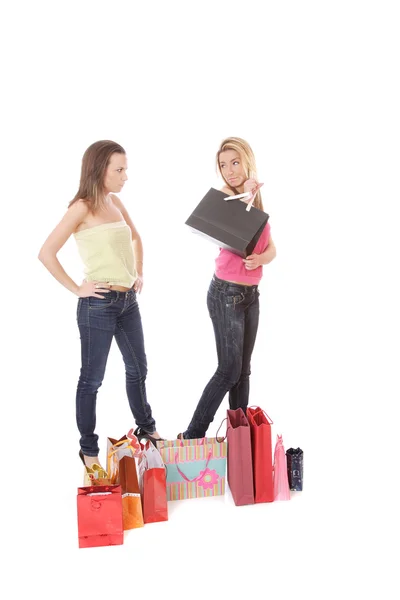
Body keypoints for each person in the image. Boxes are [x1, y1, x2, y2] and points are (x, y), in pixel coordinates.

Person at [38, 140, 163, 481]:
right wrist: (78, 288)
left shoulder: (117, 202)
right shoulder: (82, 207)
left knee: (138, 369)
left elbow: (136, 237)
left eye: (125, 169)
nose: (126, 176)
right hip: (97, 305)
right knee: (91, 380)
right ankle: (88, 448)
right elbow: (46, 252)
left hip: (127, 303)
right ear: (99, 171)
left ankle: (147, 429)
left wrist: (137, 271)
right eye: (119, 170)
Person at [179, 137, 276, 439]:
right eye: (223, 165)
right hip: (226, 295)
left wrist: (261, 257)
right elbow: (224, 217)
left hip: (251, 296)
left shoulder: (257, 201)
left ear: (247, 161)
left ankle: (240, 437)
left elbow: (272, 249)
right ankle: (192, 436)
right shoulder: (225, 196)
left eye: (235, 163)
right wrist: (245, 195)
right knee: (228, 371)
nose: (229, 170)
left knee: (243, 371)